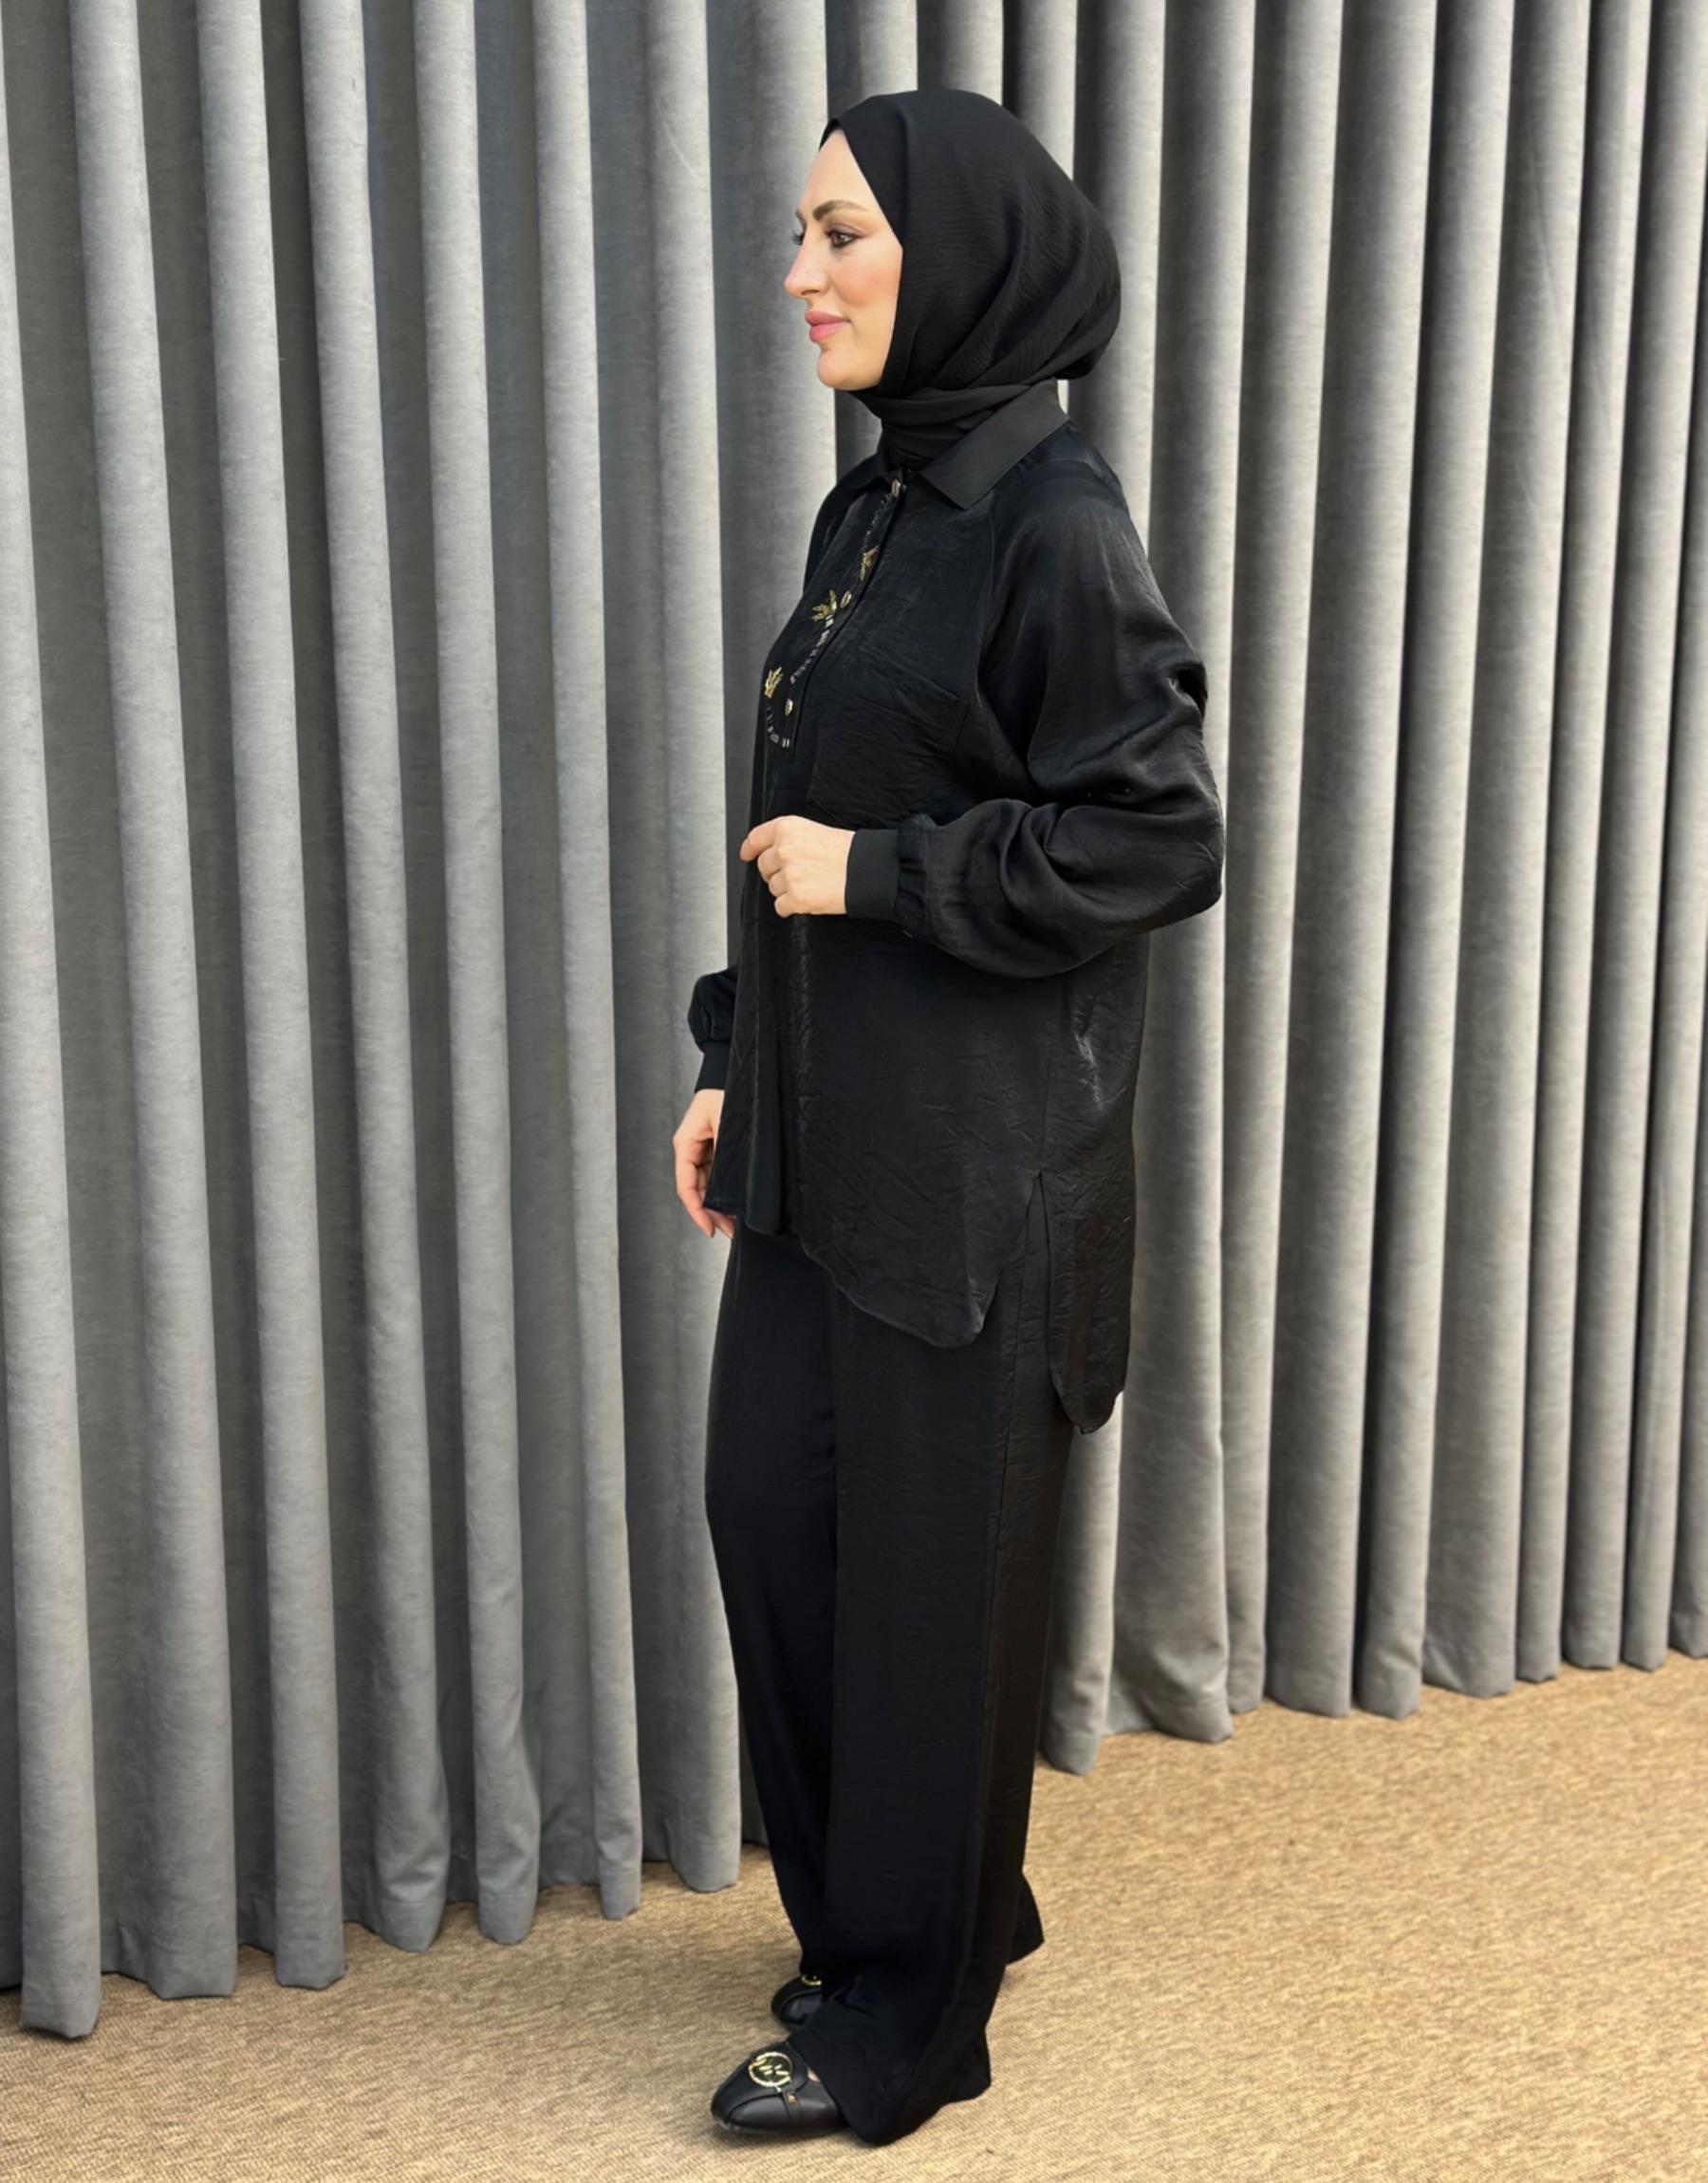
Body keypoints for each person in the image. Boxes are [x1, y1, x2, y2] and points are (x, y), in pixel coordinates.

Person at [673, 87, 1225, 2147]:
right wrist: (732, 1055)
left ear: (963, 257)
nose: (799, 276)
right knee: (774, 1520)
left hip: (978, 1172)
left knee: (924, 1586)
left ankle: (909, 2017)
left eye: (841, 236)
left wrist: (885, 877)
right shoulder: (878, 506)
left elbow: (1159, 835)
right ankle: (912, 1909)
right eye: (803, 233)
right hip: (824, 1135)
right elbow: (794, 816)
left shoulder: (1057, 525)